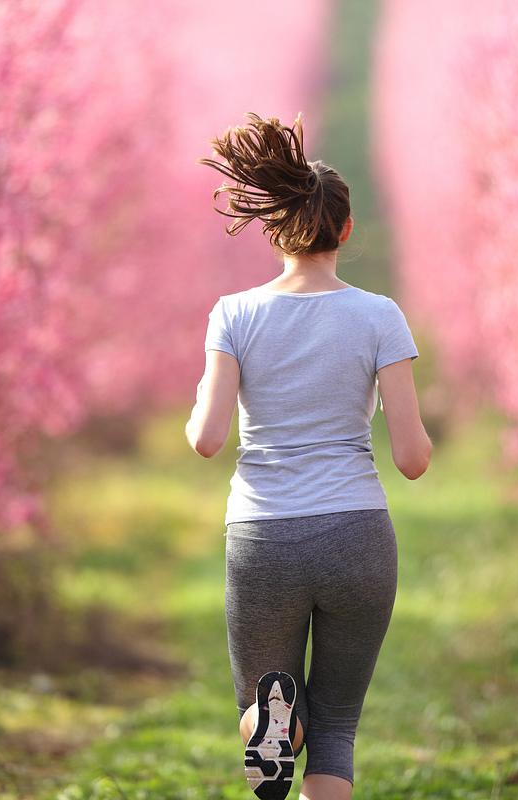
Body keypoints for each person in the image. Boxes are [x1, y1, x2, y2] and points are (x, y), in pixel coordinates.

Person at [185, 111, 432, 800]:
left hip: (264, 534)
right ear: (345, 230)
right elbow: (412, 458)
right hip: (357, 532)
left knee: (267, 709)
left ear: (275, 228)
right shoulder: (380, 315)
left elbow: (207, 439)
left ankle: (272, 722)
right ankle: (292, 726)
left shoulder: (234, 314)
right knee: (339, 726)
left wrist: (199, 407)